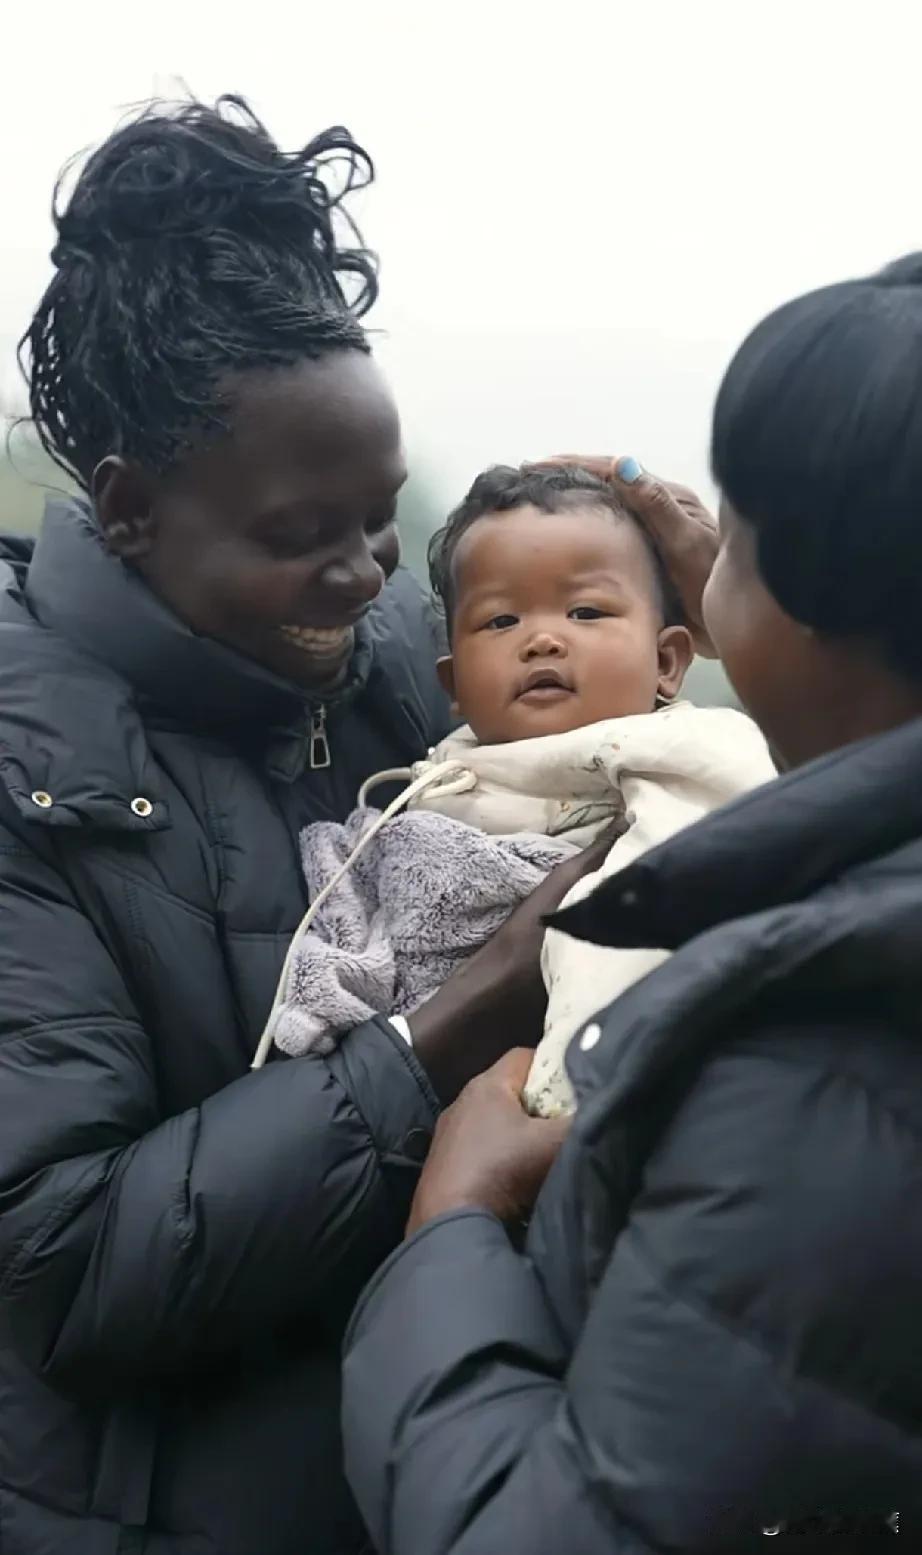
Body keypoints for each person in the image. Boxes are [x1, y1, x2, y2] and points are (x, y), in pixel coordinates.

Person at [0, 98, 607, 1555]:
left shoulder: (416, 652)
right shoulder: (34, 775)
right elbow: (66, 1266)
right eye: (296, 536)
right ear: (133, 510)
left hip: (448, 1463)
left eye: (379, 517)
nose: (358, 574)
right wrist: (452, 1022)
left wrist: (679, 615)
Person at [342, 257, 922, 1551]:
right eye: (504, 619)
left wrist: (448, 1228)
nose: (543, 639)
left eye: (736, 529)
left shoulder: (821, 1048)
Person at [265, 464, 773, 1117]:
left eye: (586, 610)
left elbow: (633, 929)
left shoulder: (680, 757)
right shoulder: (427, 786)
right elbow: (358, 920)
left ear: (669, 661)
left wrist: (563, 1096)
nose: (541, 638)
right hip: (418, 1113)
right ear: (453, 687)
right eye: (501, 620)